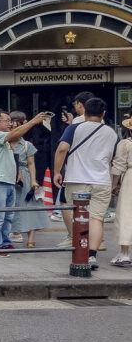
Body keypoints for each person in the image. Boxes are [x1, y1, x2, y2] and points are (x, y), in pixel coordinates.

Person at [53, 98, 117, 269]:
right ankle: (91, 256)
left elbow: (62, 149)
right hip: (102, 180)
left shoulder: (74, 128)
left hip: (77, 179)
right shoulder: (111, 133)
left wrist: (57, 172)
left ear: (84, 111)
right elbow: (112, 158)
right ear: (103, 113)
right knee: (96, 219)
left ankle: (80, 252)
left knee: (78, 217)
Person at [0, 110, 46, 257]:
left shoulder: (6, 140)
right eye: (7, 120)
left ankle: (5, 242)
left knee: (8, 216)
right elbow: (14, 135)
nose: (10, 123)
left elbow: (14, 143)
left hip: (8, 181)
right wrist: (32, 121)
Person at [8, 112, 50, 247]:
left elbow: (31, 164)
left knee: (30, 206)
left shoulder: (27, 145)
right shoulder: (4, 143)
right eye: (12, 127)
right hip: (8, 177)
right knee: (11, 207)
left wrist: (33, 180)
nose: (15, 129)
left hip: (24, 178)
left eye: (19, 126)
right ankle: (13, 233)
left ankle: (31, 239)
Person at [109, 115, 132, 266]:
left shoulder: (125, 144)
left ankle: (125, 253)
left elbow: (118, 166)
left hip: (130, 178)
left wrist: (114, 185)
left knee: (126, 213)